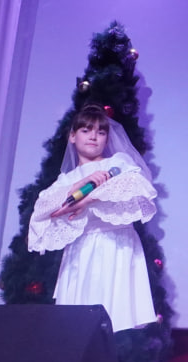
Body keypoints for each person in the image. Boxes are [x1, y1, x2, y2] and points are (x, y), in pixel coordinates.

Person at [29, 103, 158, 333]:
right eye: (86, 130)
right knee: (78, 326)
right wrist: (78, 186)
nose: (93, 137)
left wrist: (89, 199)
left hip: (115, 246)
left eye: (100, 132)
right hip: (81, 251)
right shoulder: (66, 179)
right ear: (72, 136)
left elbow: (137, 185)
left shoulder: (116, 163)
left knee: (113, 320)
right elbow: (45, 209)